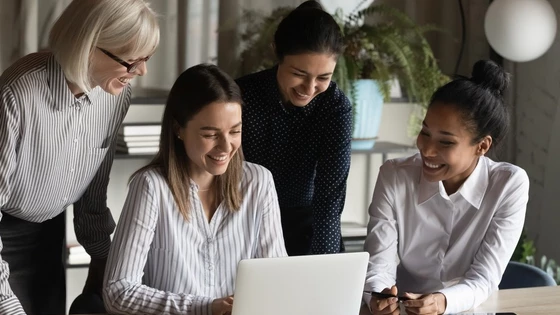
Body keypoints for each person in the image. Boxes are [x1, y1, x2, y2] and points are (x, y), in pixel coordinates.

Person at [0, 0, 159, 313]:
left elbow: (95, 187)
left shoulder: (115, 94)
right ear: (90, 47)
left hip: (50, 236)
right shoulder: (18, 93)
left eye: (147, 58)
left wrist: (103, 259)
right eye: (132, 61)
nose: (142, 71)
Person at [103, 64, 287, 315]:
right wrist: (204, 308)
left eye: (235, 131)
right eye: (210, 134)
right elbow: (119, 292)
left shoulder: (259, 182)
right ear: (179, 129)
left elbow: (278, 282)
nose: (225, 147)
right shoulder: (151, 187)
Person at [363, 60, 530, 315]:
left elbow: (483, 279)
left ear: (482, 146)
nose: (427, 150)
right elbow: (378, 264)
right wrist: (379, 296)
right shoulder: (394, 176)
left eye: (446, 142)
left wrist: (442, 302)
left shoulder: (509, 185)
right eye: (425, 132)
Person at [235, 0, 352, 256]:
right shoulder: (241, 96)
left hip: (307, 225)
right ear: (277, 51)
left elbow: (329, 198)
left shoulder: (335, 107)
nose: (309, 89)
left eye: (323, 77)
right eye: (299, 73)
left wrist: (325, 265)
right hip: (242, 221)